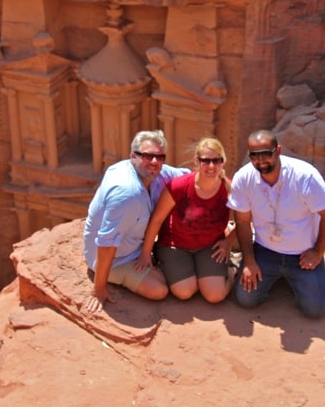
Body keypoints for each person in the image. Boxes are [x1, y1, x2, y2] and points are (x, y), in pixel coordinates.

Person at [227, 129, 325, 318]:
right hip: (265, 250)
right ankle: (272, 274)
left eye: (266, 153)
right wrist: (250, 261)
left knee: (315, 310)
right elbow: (243, 221)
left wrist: (317, 252)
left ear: (278, 150)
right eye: (254, 155)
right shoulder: (244, 178)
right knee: (246, 299)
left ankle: (298, 278)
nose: (261, 160)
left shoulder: (305, 176)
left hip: (302, 254)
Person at [83, 130, 189, 312]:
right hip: (117, 259)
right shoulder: (127, 193)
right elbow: (107, 244)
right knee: (159, 290)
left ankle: (157, 257)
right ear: (133, 156)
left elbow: (188, 177)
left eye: (159, 157)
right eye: (148, 156)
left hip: (135, 245)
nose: (154, 162)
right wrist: (98, 289)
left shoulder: (154, 173)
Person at [135, 137, 237, 303]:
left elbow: (246, 219)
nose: (211, 166)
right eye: (206, 161)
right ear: (196, 162)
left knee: (215, 296)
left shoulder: (229, 188)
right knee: (184, 292)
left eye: (216, 160)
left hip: (209, 246)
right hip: (175, 245)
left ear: (223, 162)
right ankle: (182, 269)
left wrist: (228, 242)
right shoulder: (179, 186)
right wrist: (145, 254)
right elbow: (157, 220)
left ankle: (231, 272)